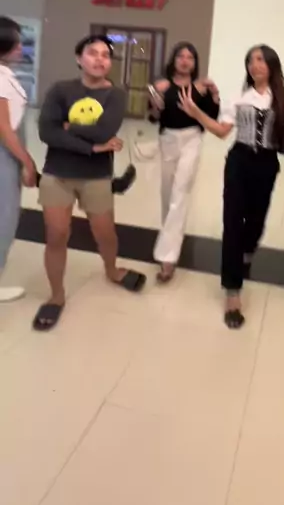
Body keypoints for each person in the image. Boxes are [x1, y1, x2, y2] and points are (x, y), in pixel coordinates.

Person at [178, 44, 284, 329]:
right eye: (250, 61)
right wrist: (196, 113)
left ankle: (247, 249)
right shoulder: (238, 97)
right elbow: (222, 132)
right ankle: (232, 291)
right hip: (239, 160)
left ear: (271, 64)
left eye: (260, 60)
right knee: (232, 222)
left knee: (256, 222)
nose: (254, 65)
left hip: (267, 163)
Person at [34, 34, 147, 331]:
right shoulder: (60, 89)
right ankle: (56, 296)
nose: (99, 59)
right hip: (57, 173)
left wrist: (68, 126)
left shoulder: (115, 95)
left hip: (96, 177)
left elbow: (104, 130)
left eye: (105, 55)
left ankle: (112, 270)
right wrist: (93, 148)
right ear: (79, 58)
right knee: (57, 235)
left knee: (105, 233)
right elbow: (46, 132)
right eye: (92, 53)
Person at [150, 41, 220, 282]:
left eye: (190, 57)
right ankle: (169, 241)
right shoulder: (163, 85)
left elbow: (213, 117)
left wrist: (215, 94)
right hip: (167, 140)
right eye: (181, 56)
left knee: (180, 193)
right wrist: (156, 101)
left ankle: (167, 259)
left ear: (195, 63)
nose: (185, 60)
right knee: (167, 194)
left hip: (192, 140)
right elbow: (153, 117)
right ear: (174, 59)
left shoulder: (201, 88)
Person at [0, 17, 37, 302]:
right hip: (5, 154)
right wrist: (27, 161)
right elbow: (4, 128)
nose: (21, 48)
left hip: (8, 152)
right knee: (5, 217)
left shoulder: (5, 74)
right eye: (17, 44)